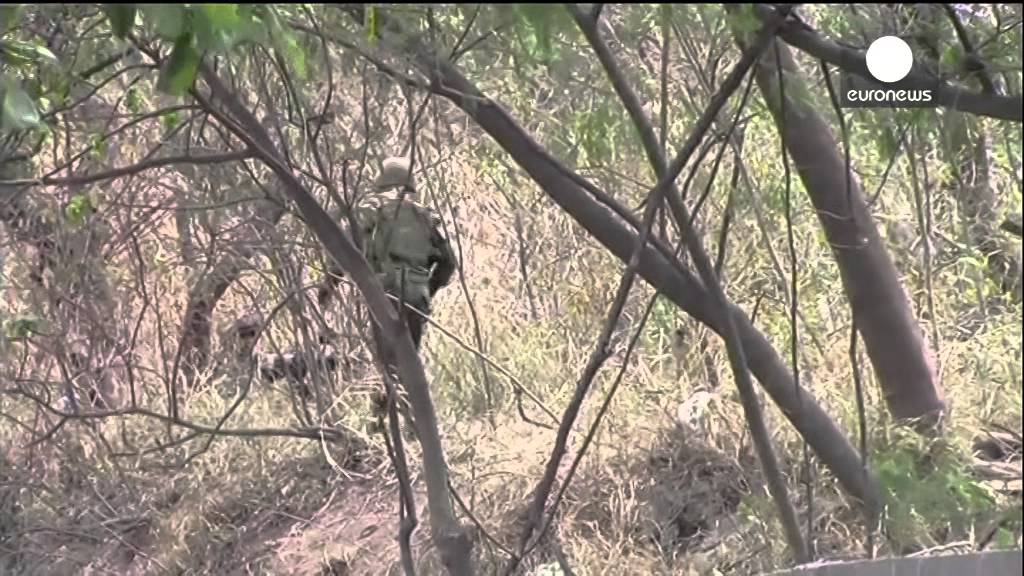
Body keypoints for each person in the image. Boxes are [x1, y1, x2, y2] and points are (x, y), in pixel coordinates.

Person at [321, 156, 457, 359]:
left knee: (389, 365)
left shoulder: (369, 210)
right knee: (409, 364)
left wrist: (329, 286)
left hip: (385, 292)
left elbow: (345, 250)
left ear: (381, 180)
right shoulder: (424, 216)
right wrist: (427, 289)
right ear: (410, 183)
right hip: (416, 297)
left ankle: (391, 389)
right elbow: (448, 263)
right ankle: (403, 390)